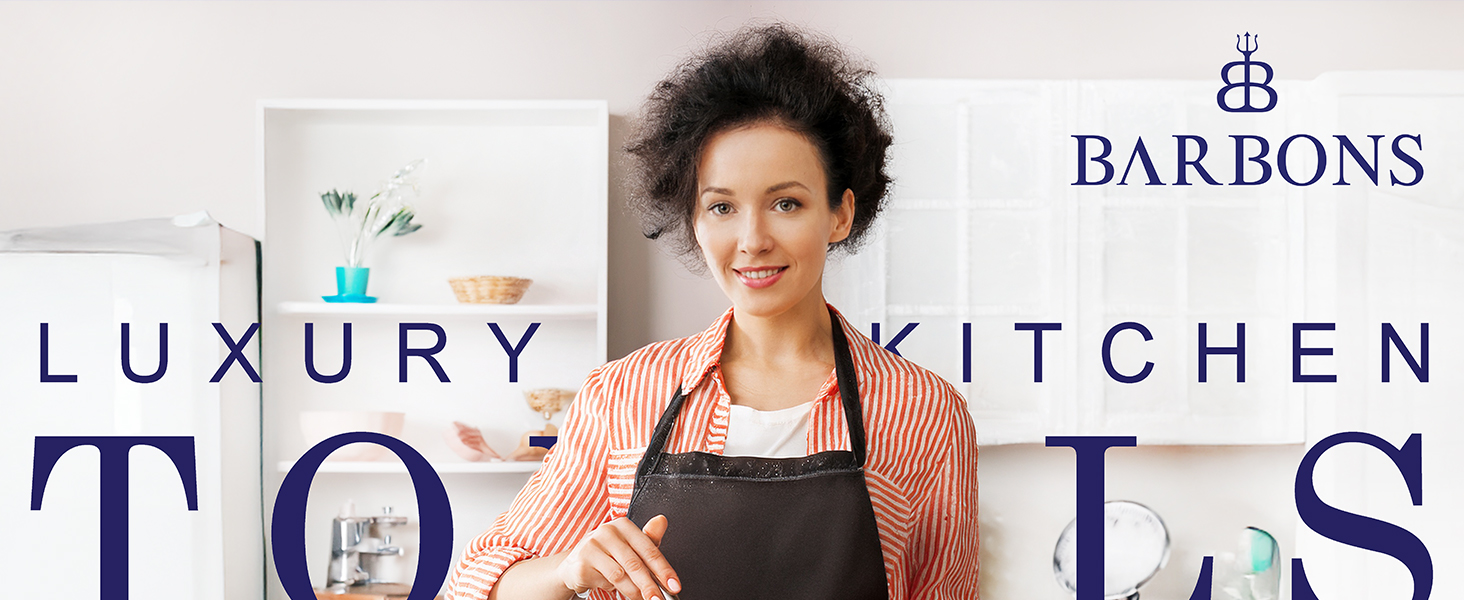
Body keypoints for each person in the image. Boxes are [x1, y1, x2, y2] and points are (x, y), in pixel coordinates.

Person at [448, 23, 978, 600]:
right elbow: (477, 585)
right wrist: (568, 570)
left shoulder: (925, 411)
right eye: (722, 206)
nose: (752, 239)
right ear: (694, 223)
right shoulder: (624, 394)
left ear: (840, 214)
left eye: (786, 203)